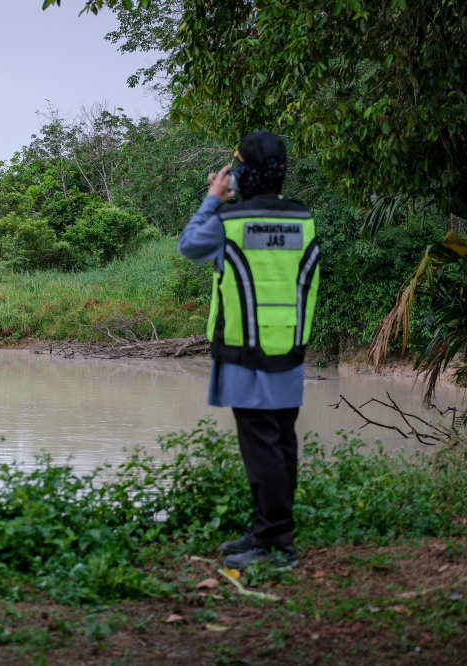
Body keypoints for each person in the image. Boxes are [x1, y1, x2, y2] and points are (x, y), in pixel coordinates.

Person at [177, 131, 320, 569]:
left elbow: (189, 245)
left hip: (244, 351)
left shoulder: (229, 222)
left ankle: (276, 547)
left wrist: (213, 198)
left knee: (261, 451)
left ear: (243, 172)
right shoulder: (304, 220)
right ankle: (267, 531)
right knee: (280, 444)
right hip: (289, 349)